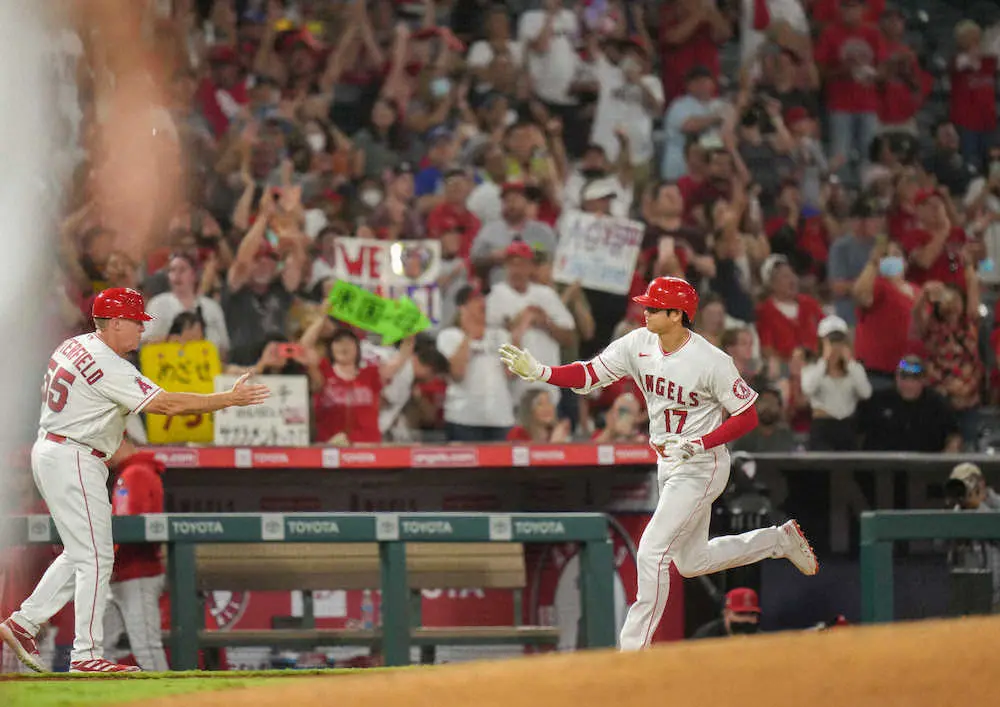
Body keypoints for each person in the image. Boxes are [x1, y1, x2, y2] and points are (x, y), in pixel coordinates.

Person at [498, 276, 818, 652]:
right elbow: (590, 374)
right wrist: (542, 372)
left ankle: (633, 652)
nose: (645, 311)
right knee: (691, 561)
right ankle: (777, 540)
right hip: (668, 463)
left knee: (651, 549)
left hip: (703, 464)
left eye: (653, 306)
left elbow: (747, 416)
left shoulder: (711, 360)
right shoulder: (639, 343)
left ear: (677, 314)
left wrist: (700, 442)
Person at [0, 287, 268, 673]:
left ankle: (24, 623)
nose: (142, 330)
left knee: (81, 552)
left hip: (56, 450)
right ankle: (86, 655)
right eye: (136, 323)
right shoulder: (110, 364)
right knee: (96, 555)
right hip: (75, 454)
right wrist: (227, 399)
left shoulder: (73, 345)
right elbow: (166, 405)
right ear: (115, 323)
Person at [103, 452, 168, 671]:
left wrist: (108, 561)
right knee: (100, 649)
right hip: (123, 573)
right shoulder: (131, 471)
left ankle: (167, 701)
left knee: (147, 649)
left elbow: (130, 527)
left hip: (137, 571)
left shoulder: (135, 472)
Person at [801, 315, 872, 451]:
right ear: (822, 342)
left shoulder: (855, 368)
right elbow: (808, 389)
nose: (836, 346)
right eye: (832, 341)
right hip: (822, 427)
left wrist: (849, 362)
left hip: (847, 427)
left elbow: (866, 393)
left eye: (839, 341)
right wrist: (824, 361)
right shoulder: (812, 367)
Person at [690, 587, 763, 639]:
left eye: (752, 614)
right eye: (741, 613)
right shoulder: (706, 637)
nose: (747, 619)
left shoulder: (761, 640)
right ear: (726, 613)